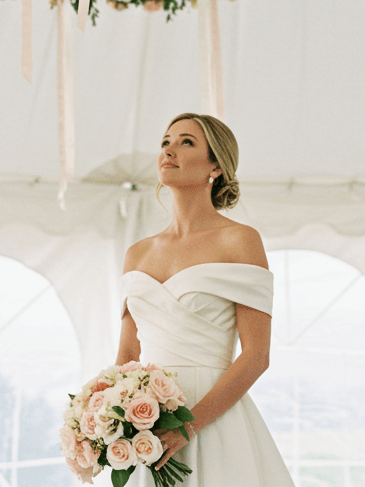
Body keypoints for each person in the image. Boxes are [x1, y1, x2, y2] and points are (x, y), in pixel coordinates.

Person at [118, 112, 294, 485]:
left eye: (186, 142)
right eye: (165, 142)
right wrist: (112, 414)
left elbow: (256, 356)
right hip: (150, 425)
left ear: (215, 165)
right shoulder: (137, 253)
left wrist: (188, 428)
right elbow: (127, 358)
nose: (169, 150)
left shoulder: (240, 240)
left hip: (215, 421)